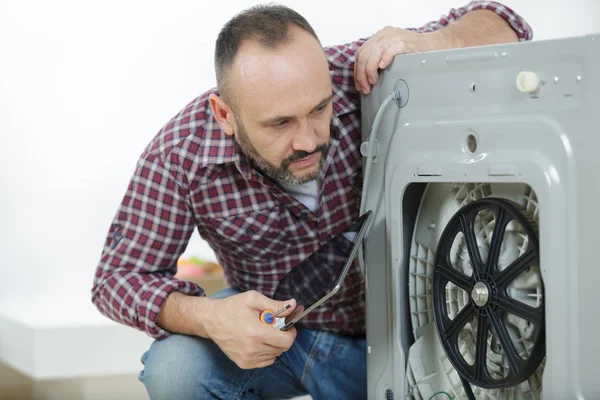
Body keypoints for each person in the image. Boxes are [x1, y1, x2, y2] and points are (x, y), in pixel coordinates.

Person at [91, 1, 532, 399]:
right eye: (279, 123)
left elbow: (505, 20)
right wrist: (213, 317)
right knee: (175, 372)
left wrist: (436, 44)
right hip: (283, 343)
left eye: (319, 110)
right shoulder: (181, 154)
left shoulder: (360, 72)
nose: (308, 140)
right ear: (225, 115)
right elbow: (116, 279)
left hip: (409, 339)